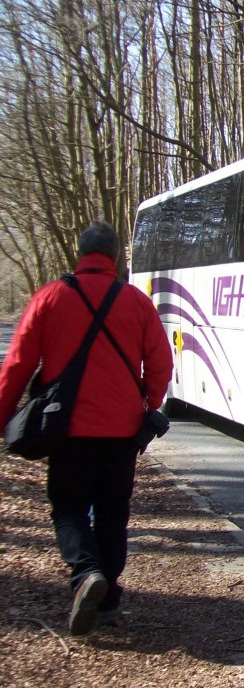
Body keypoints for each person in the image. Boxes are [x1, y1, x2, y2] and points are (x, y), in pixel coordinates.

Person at [0, 220, 172, 636]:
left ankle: (85, 572)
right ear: (114, 258)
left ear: (79, 254)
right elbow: (161, 362)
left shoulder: (50, 297)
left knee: (69, 506)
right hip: (122, 429)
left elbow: (18, 364)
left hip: (68, 427)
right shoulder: (135, 301)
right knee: (113, 514)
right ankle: (108, 603)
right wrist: (149, 404)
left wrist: (3, 417)